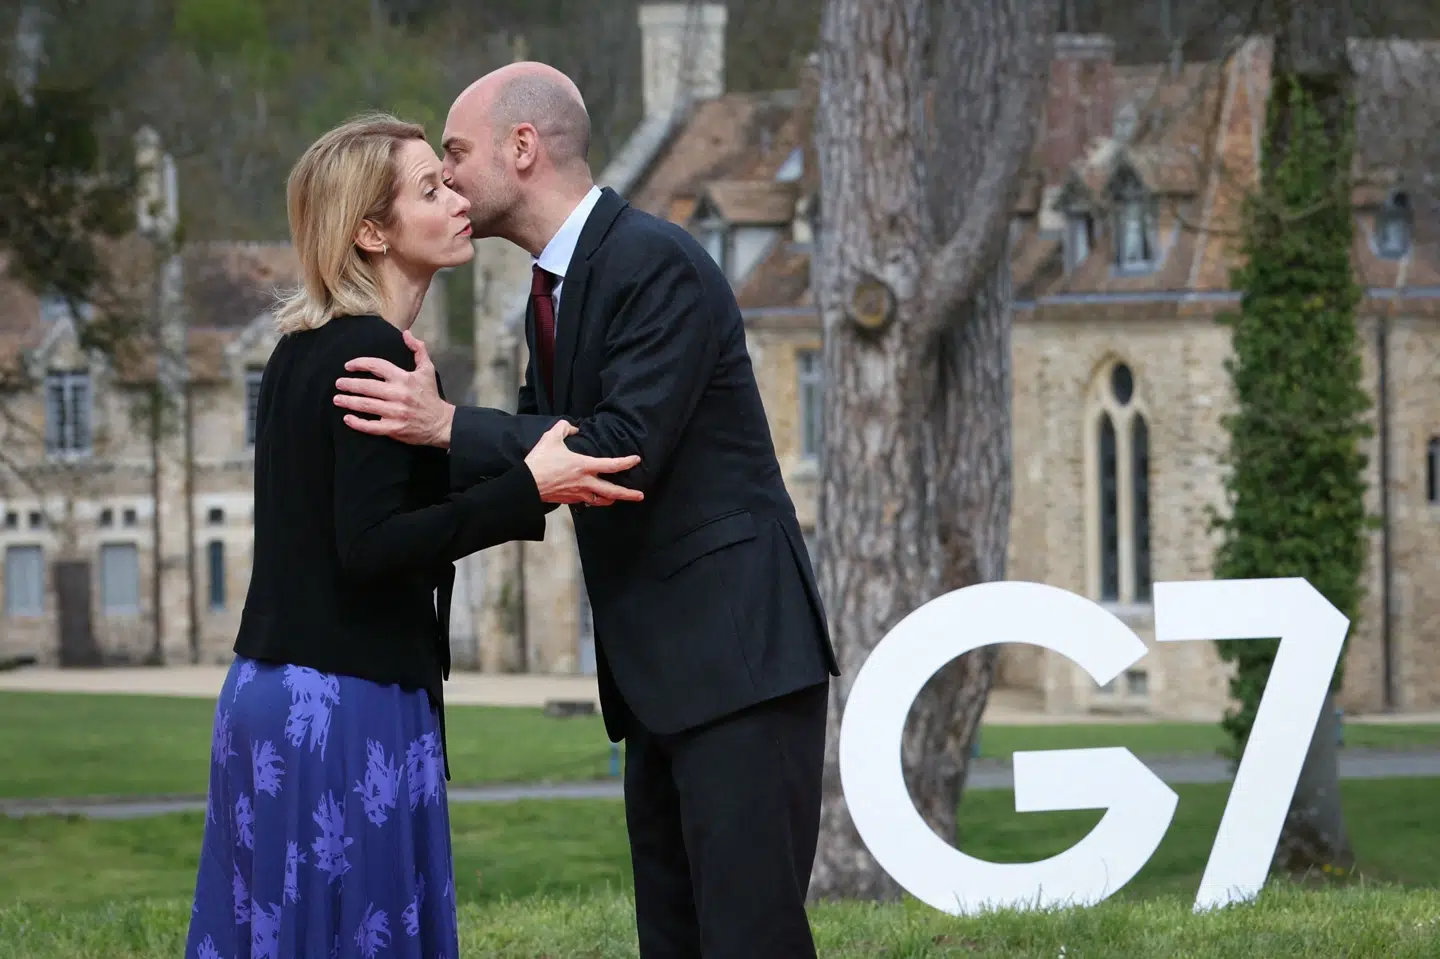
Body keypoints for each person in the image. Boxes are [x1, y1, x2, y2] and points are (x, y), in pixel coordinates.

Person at [332, 66, 841, 958]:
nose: (446, 178)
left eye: (455, 153)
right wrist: (356, 480)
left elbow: (610, 447)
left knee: (750, 937)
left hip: (738, 665)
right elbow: (535, 446)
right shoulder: (551, 294)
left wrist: (445, 423)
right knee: (674, 939)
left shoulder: (654, 263)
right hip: (658, 681)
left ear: (521, 148)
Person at [185, 113, 642, 959]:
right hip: (338, 708)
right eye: (430, 188)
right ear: (370, 230)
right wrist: (526, 489)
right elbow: (372, 546)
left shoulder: (309, 346)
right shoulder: (365, 351)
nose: (457, 195)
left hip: (277, 694)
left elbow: (367, 511)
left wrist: (453, 435)